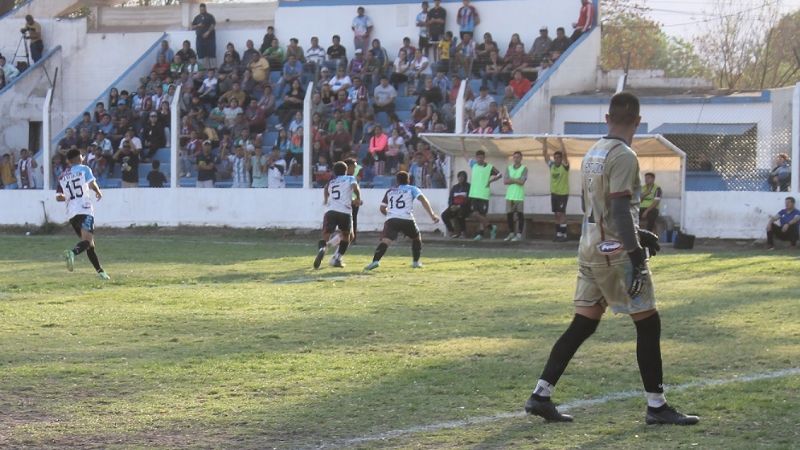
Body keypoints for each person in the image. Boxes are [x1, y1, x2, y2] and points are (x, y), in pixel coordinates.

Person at [524, 92, 698, 427]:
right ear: (637, 120)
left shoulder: (593, 152)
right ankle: (657, 405)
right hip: (615, 252)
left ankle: (541, 395)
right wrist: (634, 250)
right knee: (648, 323)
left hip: (590, 245)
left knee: (584, 323)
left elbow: (589, 204)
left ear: (607, 119)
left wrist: (637, 233)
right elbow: (618, 207)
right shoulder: (625, 155)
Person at [364, 171, 440, 271]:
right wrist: (432, 215)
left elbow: (382, 208)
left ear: (397, 181)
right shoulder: (412, 189)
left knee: (386, 240)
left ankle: (375, 261)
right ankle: (416, 262)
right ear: (408, 180)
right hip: (407, 219)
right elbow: (423, 200)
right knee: (416, 238)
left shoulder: (390, 191)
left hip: (392, 219)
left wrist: (392, 214)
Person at [56, 149, 110, 280]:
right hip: (84, 209)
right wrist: (98, 191)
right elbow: (91, 184)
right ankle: (72, 252)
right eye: (81, 155)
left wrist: (68, 196)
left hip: (71, 213)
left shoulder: (62, 175)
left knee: (89, 244)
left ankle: (101, 272)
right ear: (78, 158)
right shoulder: (84, 169)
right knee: (87, 241)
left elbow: (58, 197)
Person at [315, 161, 362, 269]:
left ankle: (322, 249)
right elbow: (355, 187)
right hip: (344, 212)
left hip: (331, 210)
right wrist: (358, 198)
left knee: (326, 234)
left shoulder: (332, 181)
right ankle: (337, 258)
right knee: (347, 236)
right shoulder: (350, 178)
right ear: (346, 170)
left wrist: (326, 199)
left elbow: (326, 188)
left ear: (334, 172)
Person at [463, 149, 502, 240]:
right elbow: (465, 154)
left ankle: (481, 234)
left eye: (482, 157)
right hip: (474, 194)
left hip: (484, 195)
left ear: (484, 158)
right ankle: (492, 227)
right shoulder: (474, 165)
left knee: (482, 215)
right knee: (475, 214)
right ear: (476, 158)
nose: (480, 159)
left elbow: (499, 174)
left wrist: (492, 180)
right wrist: (462, 141)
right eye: (478, 157)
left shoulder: (489, 167)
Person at [543, 137, 570, 241]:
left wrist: (560, 141)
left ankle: (564, 235)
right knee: (556, 214)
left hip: (563, 194)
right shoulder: (552, 166)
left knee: (561, 213)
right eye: (556, 157)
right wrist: (544, 140)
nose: (557, 159)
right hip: (554, 193)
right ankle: (558, 234)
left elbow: (565, 155)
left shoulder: (565, 166)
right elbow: (545, 155)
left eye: (559, 157)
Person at [503, 151, 527, 241]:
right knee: (509, 215)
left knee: (520, 215)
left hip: (519, 196)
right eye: (515, 157)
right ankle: (511, 233)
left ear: (521, 158)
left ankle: (519, 234)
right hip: (509, 195)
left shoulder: (524, 168)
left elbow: (522, 182)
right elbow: (505, 181)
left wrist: (511, 179)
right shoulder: (509, 168)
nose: (516, 159)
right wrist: (516, 179)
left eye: (518, 157)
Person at [442, 170, 470, 238]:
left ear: (465, 178)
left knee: (460, 214)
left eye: (462, 177)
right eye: (459, 177)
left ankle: (463, 232)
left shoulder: (468, 187)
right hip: (454, 206)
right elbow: (450, 198)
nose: (461, 178)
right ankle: (451, 231)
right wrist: (451, 206)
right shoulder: (455, 187)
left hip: (464, 207)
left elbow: (469, 199)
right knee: (444, 215)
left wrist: (459, 206)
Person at [192, 3, 217, 69]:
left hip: (210, 39)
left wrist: (208, 32)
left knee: (211, 55)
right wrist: (198, 25)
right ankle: (203, 71)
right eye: (201, 9)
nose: (202, 10)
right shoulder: (197, 17)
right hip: (200, 40)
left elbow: (213, 25)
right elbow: (192, 27)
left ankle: (213, 70)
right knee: (201, 55)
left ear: (205, 8)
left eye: (203, 9)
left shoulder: (210, 16)